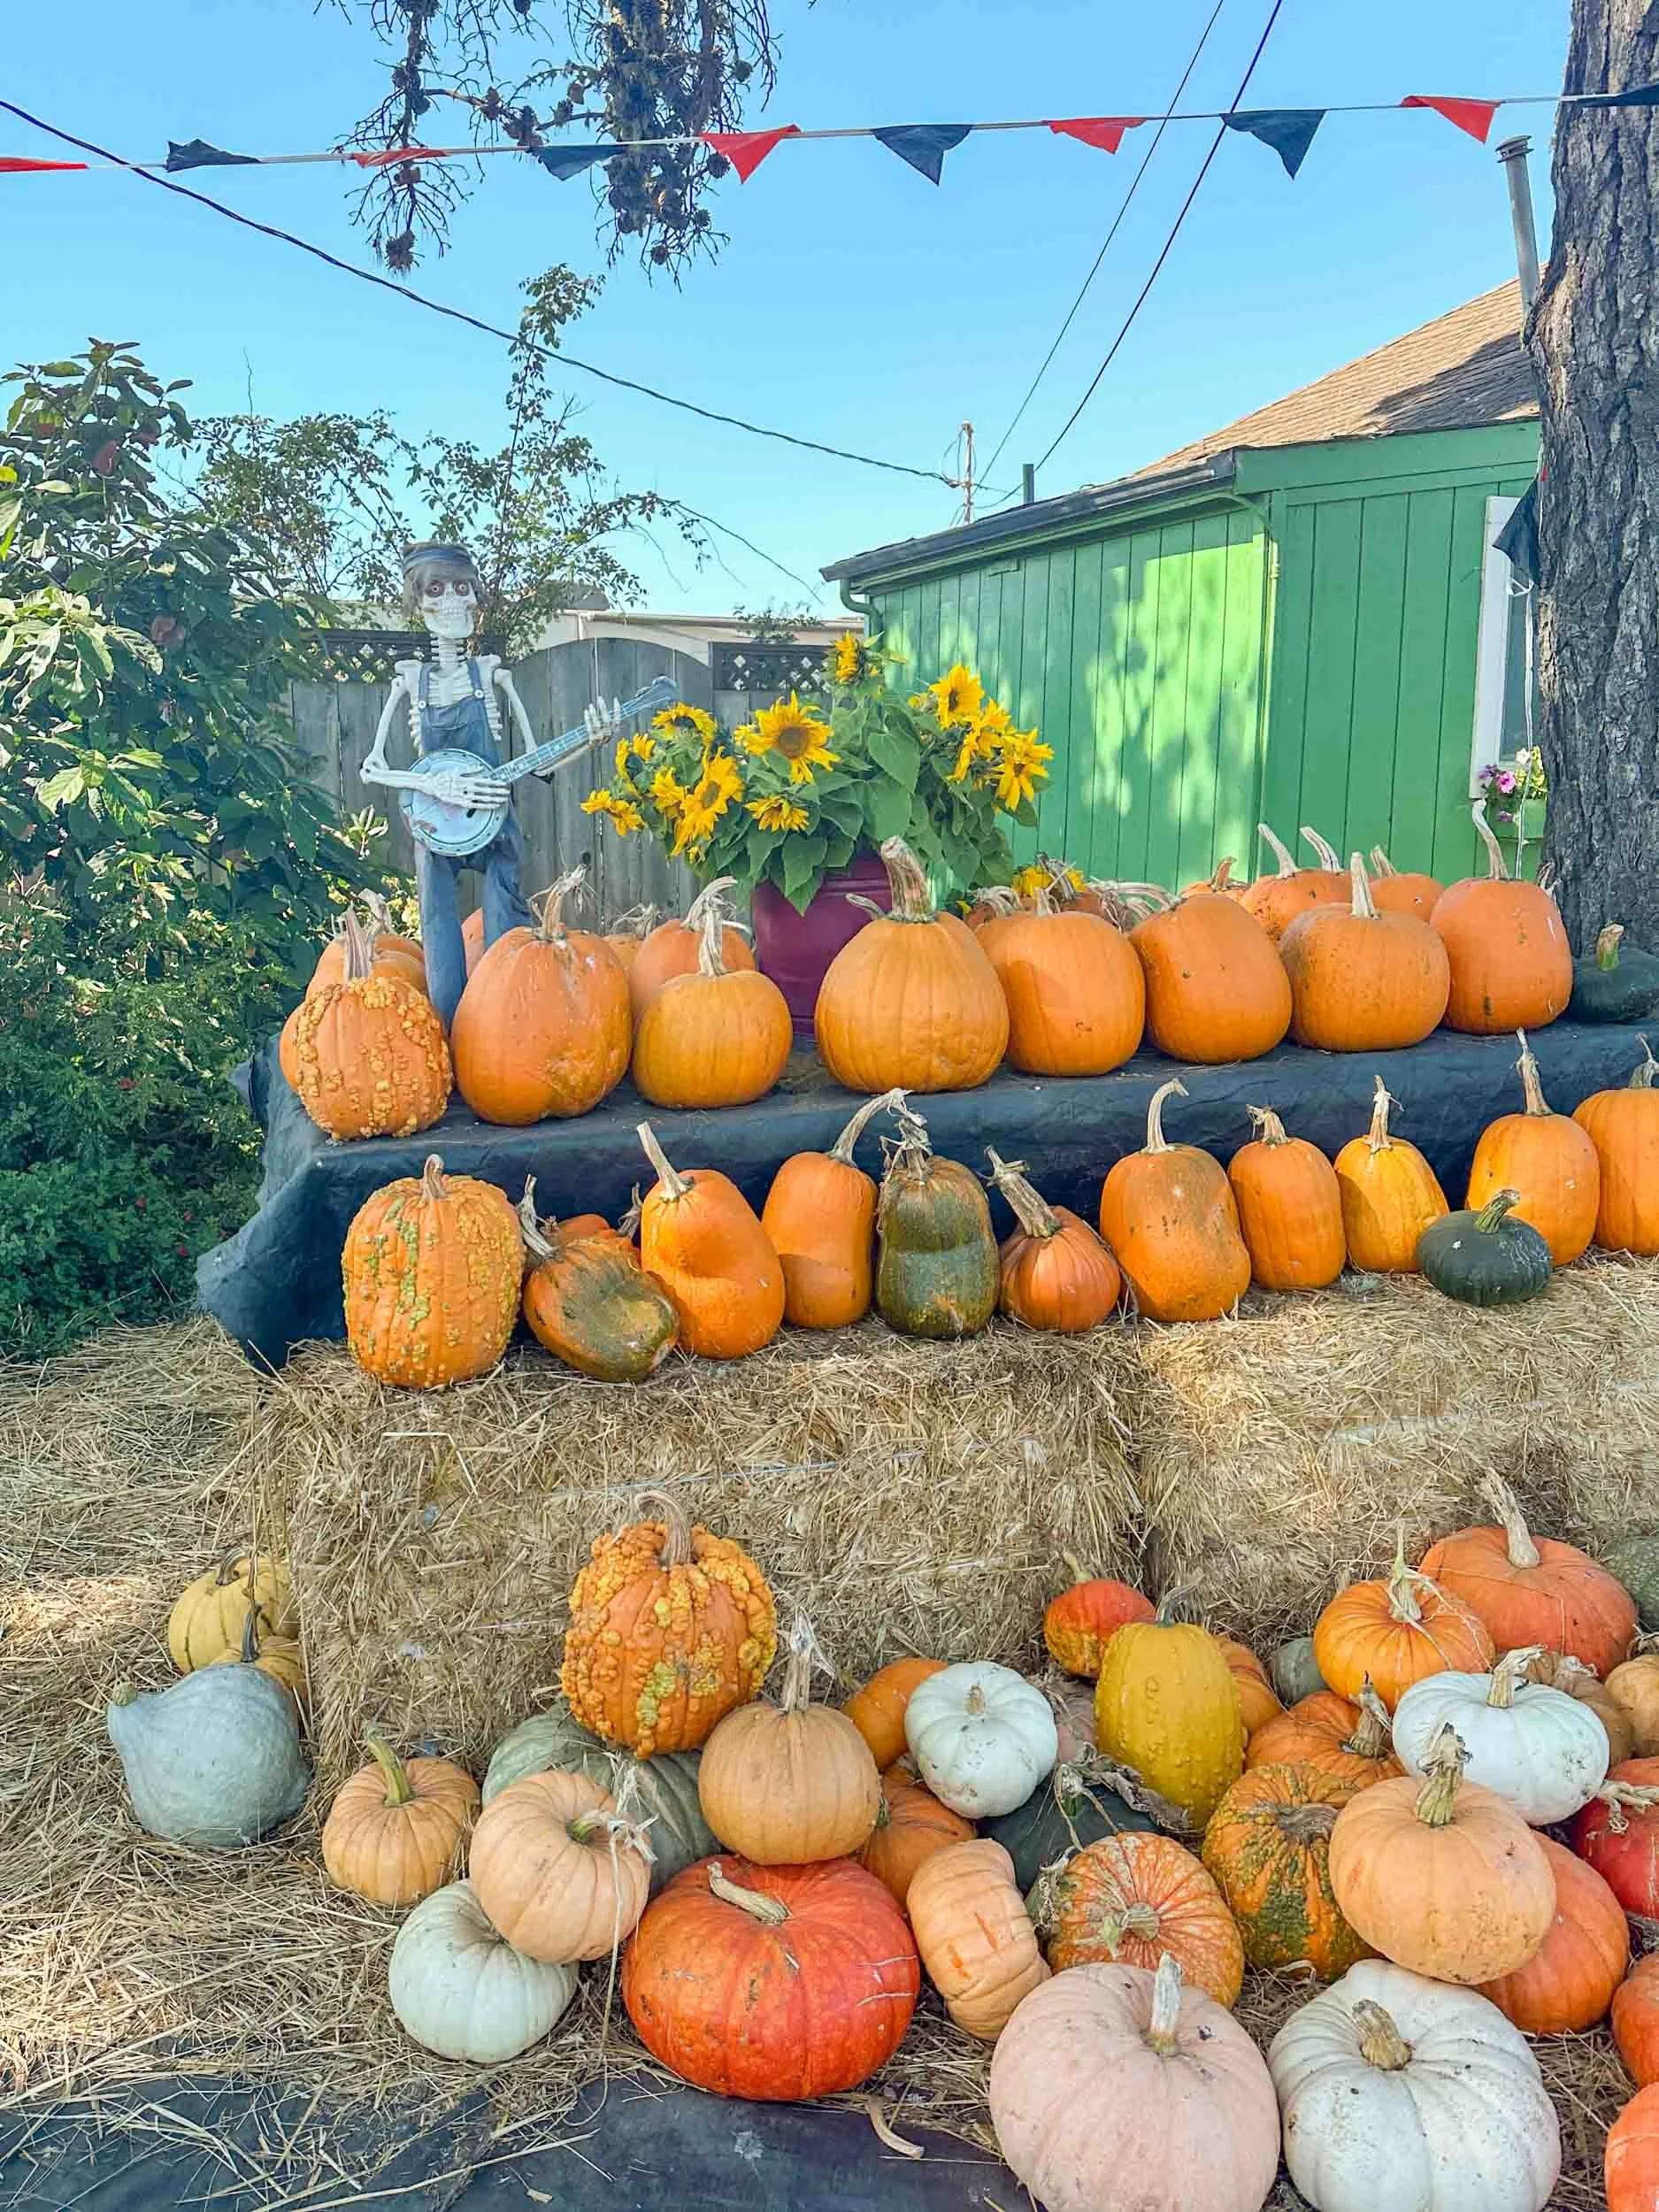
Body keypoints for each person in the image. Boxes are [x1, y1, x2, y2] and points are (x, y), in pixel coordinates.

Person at [359, 542, 536, 1025]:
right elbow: (372, 769)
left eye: (463, 587)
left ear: (476, 597)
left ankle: (506, 1026)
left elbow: (539, 763)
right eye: (437, 590)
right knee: (438, 930)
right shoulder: (409, 683)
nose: (454, 601)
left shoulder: (491, 675)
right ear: (419, 603)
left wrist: (594, 735)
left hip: (495, 821)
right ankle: (450, 1030)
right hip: (435, 826)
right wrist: (436, 788)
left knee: (506, 931)